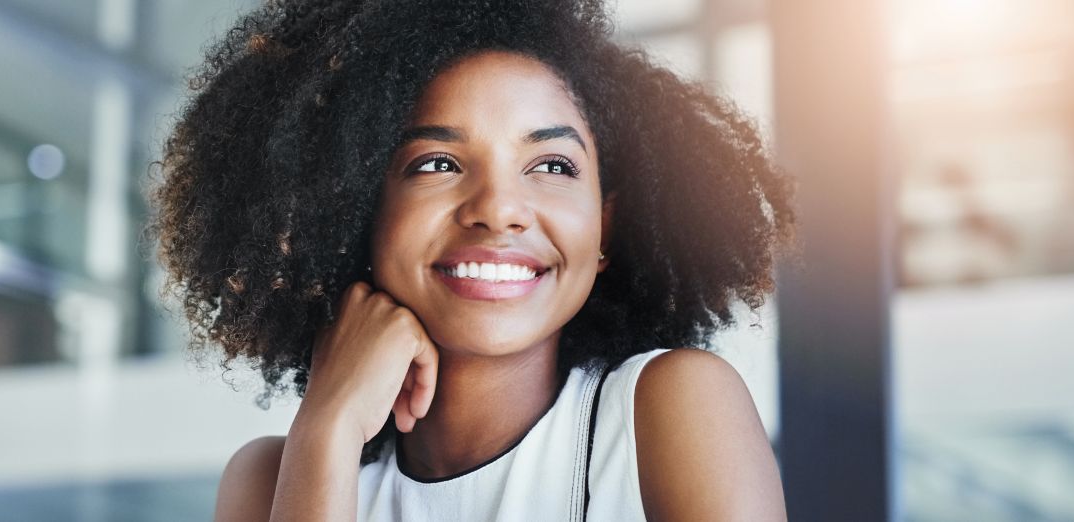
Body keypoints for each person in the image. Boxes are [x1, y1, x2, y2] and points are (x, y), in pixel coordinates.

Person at [150, 0, 793, 519]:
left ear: (605, 228)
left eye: (551, 165)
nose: (499, 208)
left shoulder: (666, 410)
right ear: (352, 210)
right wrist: (329, 428)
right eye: (438, 164)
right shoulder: (273, 483)